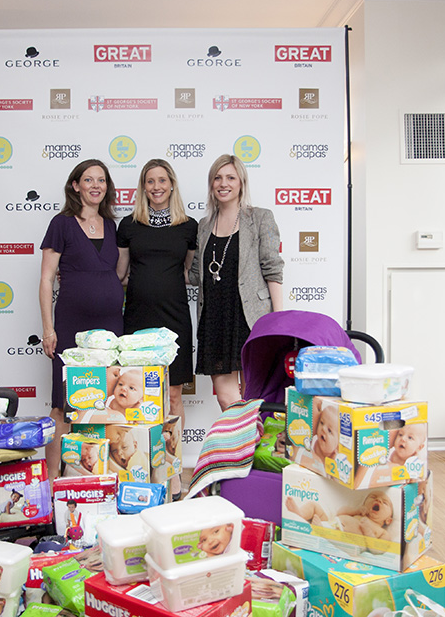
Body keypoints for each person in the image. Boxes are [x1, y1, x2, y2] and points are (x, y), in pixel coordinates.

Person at [40, 159, 124, 479]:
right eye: (88, 180)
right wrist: (48, 329)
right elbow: (47, 279)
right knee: (63, 402)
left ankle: (95, 477)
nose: (95, 186)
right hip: (71, 324)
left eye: (101, 180)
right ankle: (50, 480)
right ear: (75, 186)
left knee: (101, 399)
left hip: (111, 326)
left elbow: (117, 273)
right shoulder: (61, 224)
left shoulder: (112, 226)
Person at [189, 154, 284, 410]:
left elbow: (272, 269)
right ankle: (239, 448)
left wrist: (278, 319)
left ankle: (256, 450)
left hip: (250, 317)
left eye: (230, 177)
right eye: (217, 178)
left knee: (256, 397)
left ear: (241, 182)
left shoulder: (260, 218)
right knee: (227, 400)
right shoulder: (204, 225)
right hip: (214, 319)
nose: (223, 183)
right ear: (211, 184)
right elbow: (195, 274)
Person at [117, 159, 198, 426]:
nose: (156, 186)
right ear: (143, 187)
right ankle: (143, 462)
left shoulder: (188, 226)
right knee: (136, 394)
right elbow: (120, 273)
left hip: (175, 319)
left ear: (172, 184)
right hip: (138, 318)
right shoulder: (128, 226)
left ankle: (172, 464)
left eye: (162, 180)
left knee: (174, 395)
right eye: (150, 181)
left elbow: (187, 271)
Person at [285, 491, 395, 544]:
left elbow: (378, 549)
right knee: (314, 505)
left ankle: (322, 532)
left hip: (344, 538)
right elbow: (339, 513)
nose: (378, 500)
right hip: (330, 523)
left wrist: (367, 531)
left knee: (352, 547)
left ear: (388, 520)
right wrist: (356, 510)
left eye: (385, 503)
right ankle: (299, 514)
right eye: (373, 497)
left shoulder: (382, 532)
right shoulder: (358, 513)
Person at [353, 423, 427, 488]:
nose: (403, 439)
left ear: (419, 447)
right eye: (400, 434)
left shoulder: (415, 461)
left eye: (410, 437)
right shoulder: (386, 453)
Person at [292, 399, 339, 476]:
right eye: (322, 423)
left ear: (337, 446)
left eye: (329, 430)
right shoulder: (311, 440)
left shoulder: (335, 463)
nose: (323, 428)